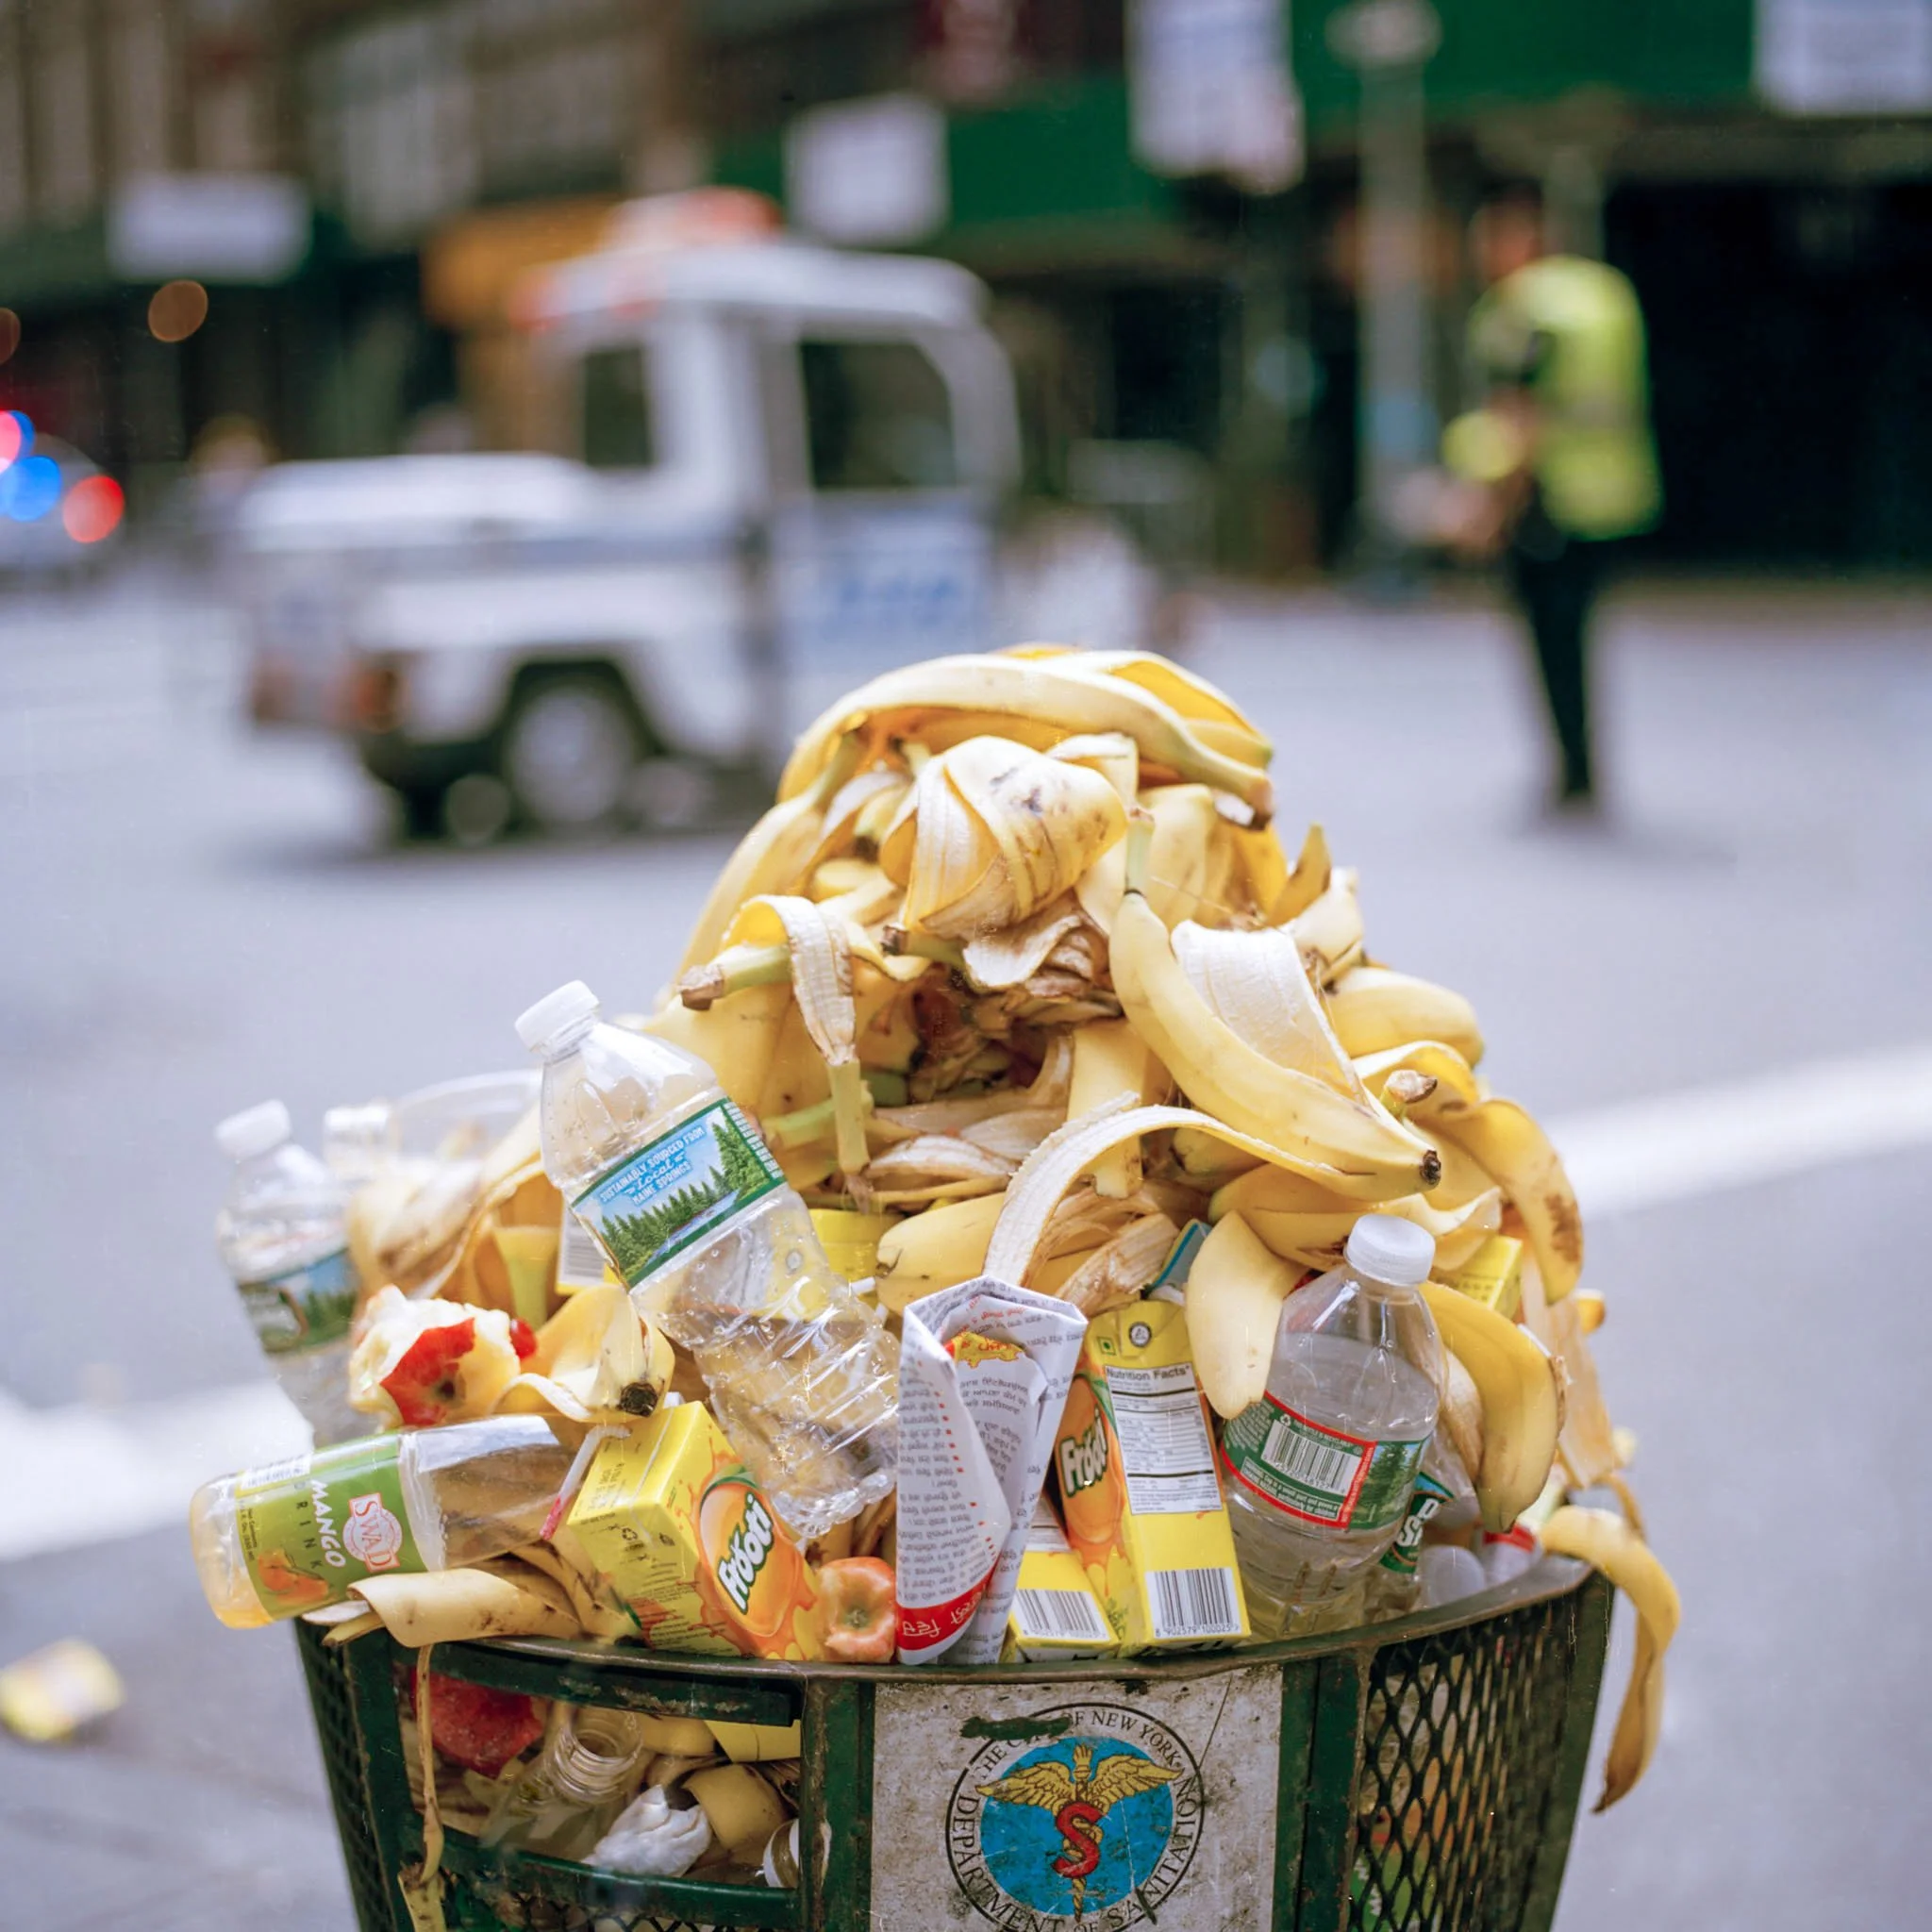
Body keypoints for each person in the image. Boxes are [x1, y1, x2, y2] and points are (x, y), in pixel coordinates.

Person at [1443, 191, 1661, 811]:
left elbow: (1521, 417)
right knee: (1581, 640)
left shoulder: (1523, 311)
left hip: (1547, 505)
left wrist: (1487, 507)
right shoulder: (1602, 295)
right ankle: (1585, 770)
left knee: (1551, 645)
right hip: (1612, 497)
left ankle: (1571, 775)